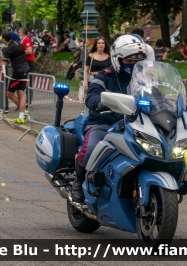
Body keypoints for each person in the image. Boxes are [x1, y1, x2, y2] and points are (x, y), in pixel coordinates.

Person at [71, 35, 148, 203]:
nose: (134, 64)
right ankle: (78, 182)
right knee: (91, 148)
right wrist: (99, 103)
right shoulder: (105, 76)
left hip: (135, 126)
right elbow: (91, 95)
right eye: (129, 60)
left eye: (139, 60)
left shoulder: (145, 81)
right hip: (105, 124)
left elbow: (158, 96)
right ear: (117, 59)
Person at [0, 30, 30, 124]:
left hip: (18, 73)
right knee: (21, 92)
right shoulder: (18, 43)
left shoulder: (8, 49)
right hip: (25, 70)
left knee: (9, 94)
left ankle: (24, 112)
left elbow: (4, 64)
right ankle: (22, 115)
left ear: (3, 39)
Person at [18, 27, 35, 110]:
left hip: (28, 62)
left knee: (28, 82)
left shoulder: (26, 40)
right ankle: (25, 102)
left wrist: (19, 52)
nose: (18, 33)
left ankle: (29, 102)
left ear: (22, 32)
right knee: (25, 82)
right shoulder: (24, 39)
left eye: (19, 32)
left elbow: (29, 51)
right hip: (25, 62)